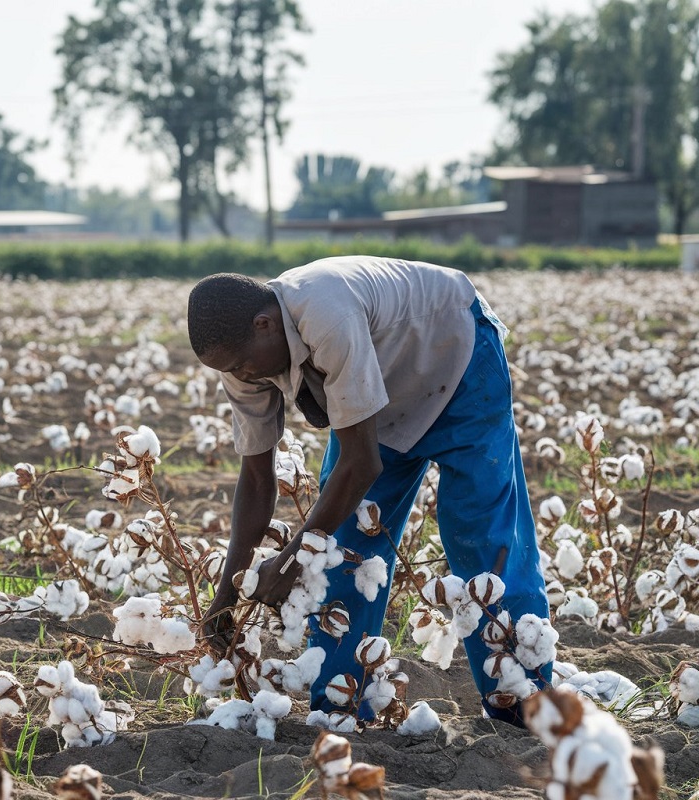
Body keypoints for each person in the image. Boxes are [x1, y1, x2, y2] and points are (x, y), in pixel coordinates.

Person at [187, 255, 550, 726]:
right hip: (379, 398)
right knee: (344, 550)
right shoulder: (242, 361)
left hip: (457, 360)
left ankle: (526, 707)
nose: (242, 376)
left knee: (482, 538)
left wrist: (292, 558)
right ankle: (339, 709)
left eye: (242, 365)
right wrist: (229, 594)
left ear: (264, 323)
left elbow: (361, 464)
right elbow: (257, 479)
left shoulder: (324, 313)